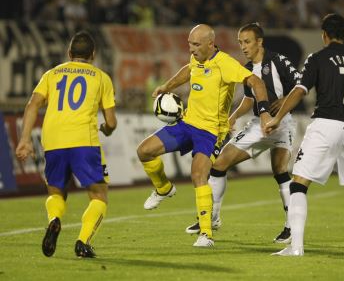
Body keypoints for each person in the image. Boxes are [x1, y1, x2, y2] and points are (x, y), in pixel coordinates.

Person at [265, 13, 344, 256]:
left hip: (325, 126)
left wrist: (277, 117)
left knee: (298, 184)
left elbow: (300, 90)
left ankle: (296, 248)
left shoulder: (318, 58)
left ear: (324, 35)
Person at [136, 24, 271, 247]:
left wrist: (264, 111)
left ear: (211, 43)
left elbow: (256, 82)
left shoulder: (225, 63)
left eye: (196, 45)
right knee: (144, 151)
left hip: (210, 132)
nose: (192, 49)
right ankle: (163, 188)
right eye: (190, 44)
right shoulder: (196, 59)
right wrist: (166, 87)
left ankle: (206, 233)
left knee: (198, 174)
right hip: (187, 123)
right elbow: (188, 71)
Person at [185, 23, 300, 244]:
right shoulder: (247, 68)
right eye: (240, 42)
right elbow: (249, 99)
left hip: (281, 123)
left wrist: (282, 103)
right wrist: (234, 117)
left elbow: (300, 86)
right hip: (258, 124)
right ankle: (212, 217)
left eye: (247, 42)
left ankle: (291, 226)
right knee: (219, 164)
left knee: (280, 171)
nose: (243, 46)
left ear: (259, 42)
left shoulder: (278, 60)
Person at [16, 31, 117, 258]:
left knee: (56, 192)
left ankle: (54, 220)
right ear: (93, 54)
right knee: (99, 195)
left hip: (53, 140)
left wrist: (24, 140)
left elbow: (33, 104)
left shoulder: (52, 74)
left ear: (69, 53)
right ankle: (83, 241)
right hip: (84, 141)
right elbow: (111, 121)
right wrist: (107, 129)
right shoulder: (101, 77)